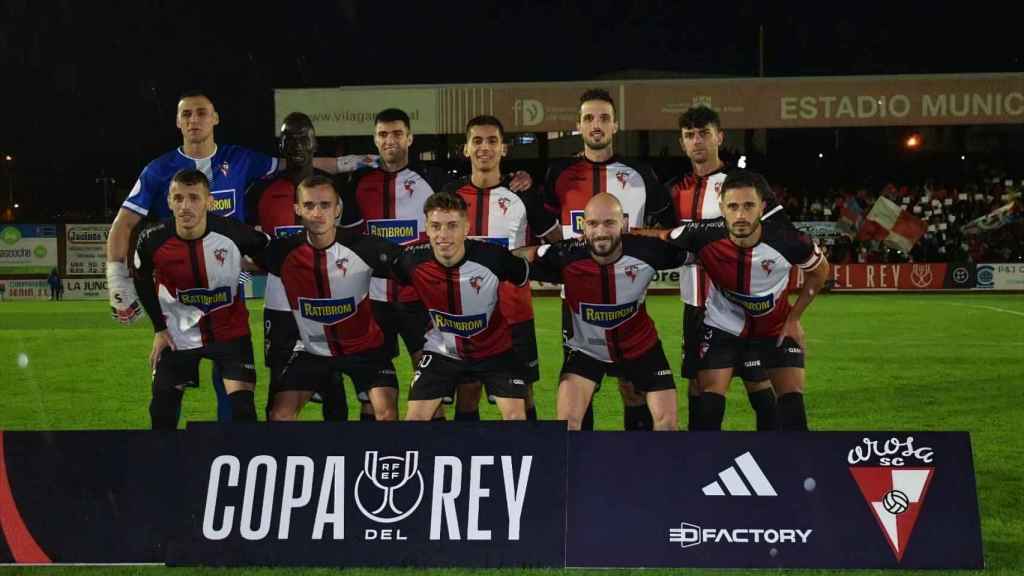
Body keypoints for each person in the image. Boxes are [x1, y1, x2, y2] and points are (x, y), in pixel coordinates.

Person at [106, 90, 371, 422]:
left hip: (228, 301)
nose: (194, 120)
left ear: (215, 119)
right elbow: (124, 223)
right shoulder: (158, 170)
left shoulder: (242, 160)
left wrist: (353, 162)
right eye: (186, 114)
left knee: (235, 399)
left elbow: (299, 161)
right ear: (177, 121)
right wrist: (117, 280)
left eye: (201, 112)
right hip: (178, 308)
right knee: (164, 402)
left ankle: (231, 461)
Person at [542, 88, 674, 430]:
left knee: (632, 389)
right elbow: (544, 228)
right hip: (576, 302)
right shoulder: (559, 174)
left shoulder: (641, 175)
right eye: (588, 118)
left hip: (629, 297)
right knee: (579, 396)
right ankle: (585, 469)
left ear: (615, 125)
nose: (596, 124)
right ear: (579, 125)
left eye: (603, 118)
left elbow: (665, 228)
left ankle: (637, 462)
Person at [660, 170, 829, 430]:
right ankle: (704, 465)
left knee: (792, 405)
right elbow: (658, 237)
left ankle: (788, 467)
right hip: (722, 327)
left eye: (749, 206)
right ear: (722, 208)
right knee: (708, 404)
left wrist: (795, 317)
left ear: (762, 207)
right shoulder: (703, 234)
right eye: (733, 206)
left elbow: (820, 271)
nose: (740, 215)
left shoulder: (788, 240)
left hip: (774, 328)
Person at [516, 194, 683, 430]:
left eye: (609, 223)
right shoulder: (566, 254)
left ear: (623, 224)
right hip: (586, 351)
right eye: (593, 224)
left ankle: (645, 464)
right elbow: (516, 259)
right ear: (583, 226)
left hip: (641, 347)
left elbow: (698, 251)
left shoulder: (648, 250)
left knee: (667, 426)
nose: (601, 231)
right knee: (567, 426)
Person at [667, 105, 779, 430]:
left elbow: (774, 231)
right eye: (690, 135)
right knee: (698, 385)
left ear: (720, 137)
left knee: (757, 381)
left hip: (742, 305)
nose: (697, 141)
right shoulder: (675, 191)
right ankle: (701, 460)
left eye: (704, 133)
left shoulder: (743, 184)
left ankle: (777, 456)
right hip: (696, 305)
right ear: (682, 143)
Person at [441, 115, 559, 422]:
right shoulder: (449, 196)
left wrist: (530, 257)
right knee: (467, 396)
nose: (485, 147)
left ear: (503, 149)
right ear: (465, 149)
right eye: (477, 141)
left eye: (492, 141)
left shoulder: (522, 195)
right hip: (464, 318)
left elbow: (556, 243)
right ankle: (469, 465)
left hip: (514, 315)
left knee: (523, 397)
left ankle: (533, 465)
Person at [131, 169, 269, 429]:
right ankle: (166, 466)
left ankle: (238, 465)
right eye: (178, 198)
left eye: (194, 198)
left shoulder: (234, 233)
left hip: (231, 334)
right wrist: (159, 329)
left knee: (243, 411)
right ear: (169, 202)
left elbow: (274, 255)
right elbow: (140, 280)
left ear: (210, 202)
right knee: (161, 409)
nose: (185, 206)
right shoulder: (152, 239)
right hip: (178, 336)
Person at [264, 175, 401, 421]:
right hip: (311, 350)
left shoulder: (366, 248)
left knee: (386, 413)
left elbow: (411, 268)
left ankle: (374, 459)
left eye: (325, 205)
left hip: (365, 349)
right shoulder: (282, 252)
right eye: (309, 206)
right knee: (279, 415)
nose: (317, 213)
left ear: (337, 209)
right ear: (297, 209)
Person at [391, 192, 530, 421]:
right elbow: (395, 282)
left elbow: (524, 271)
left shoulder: (494, 258)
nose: (443, 235)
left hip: (495, 351)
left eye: (452, 226)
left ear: (466, 228)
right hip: (442, 351)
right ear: (426, 227)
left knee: (516, 417)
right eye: (435, 226)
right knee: (414, 419)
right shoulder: (411, 261)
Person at [247, 112, 349, 422]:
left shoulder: (335, 186)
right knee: (278, 389)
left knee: (334, 387)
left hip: (327, 305)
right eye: (289, 138)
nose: (297, 144)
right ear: (280, 144)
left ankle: (339, 457)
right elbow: (252, 250)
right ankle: (279, 458)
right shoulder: (259, 191)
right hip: (280, 308)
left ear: (315, 142)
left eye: (303, 137)